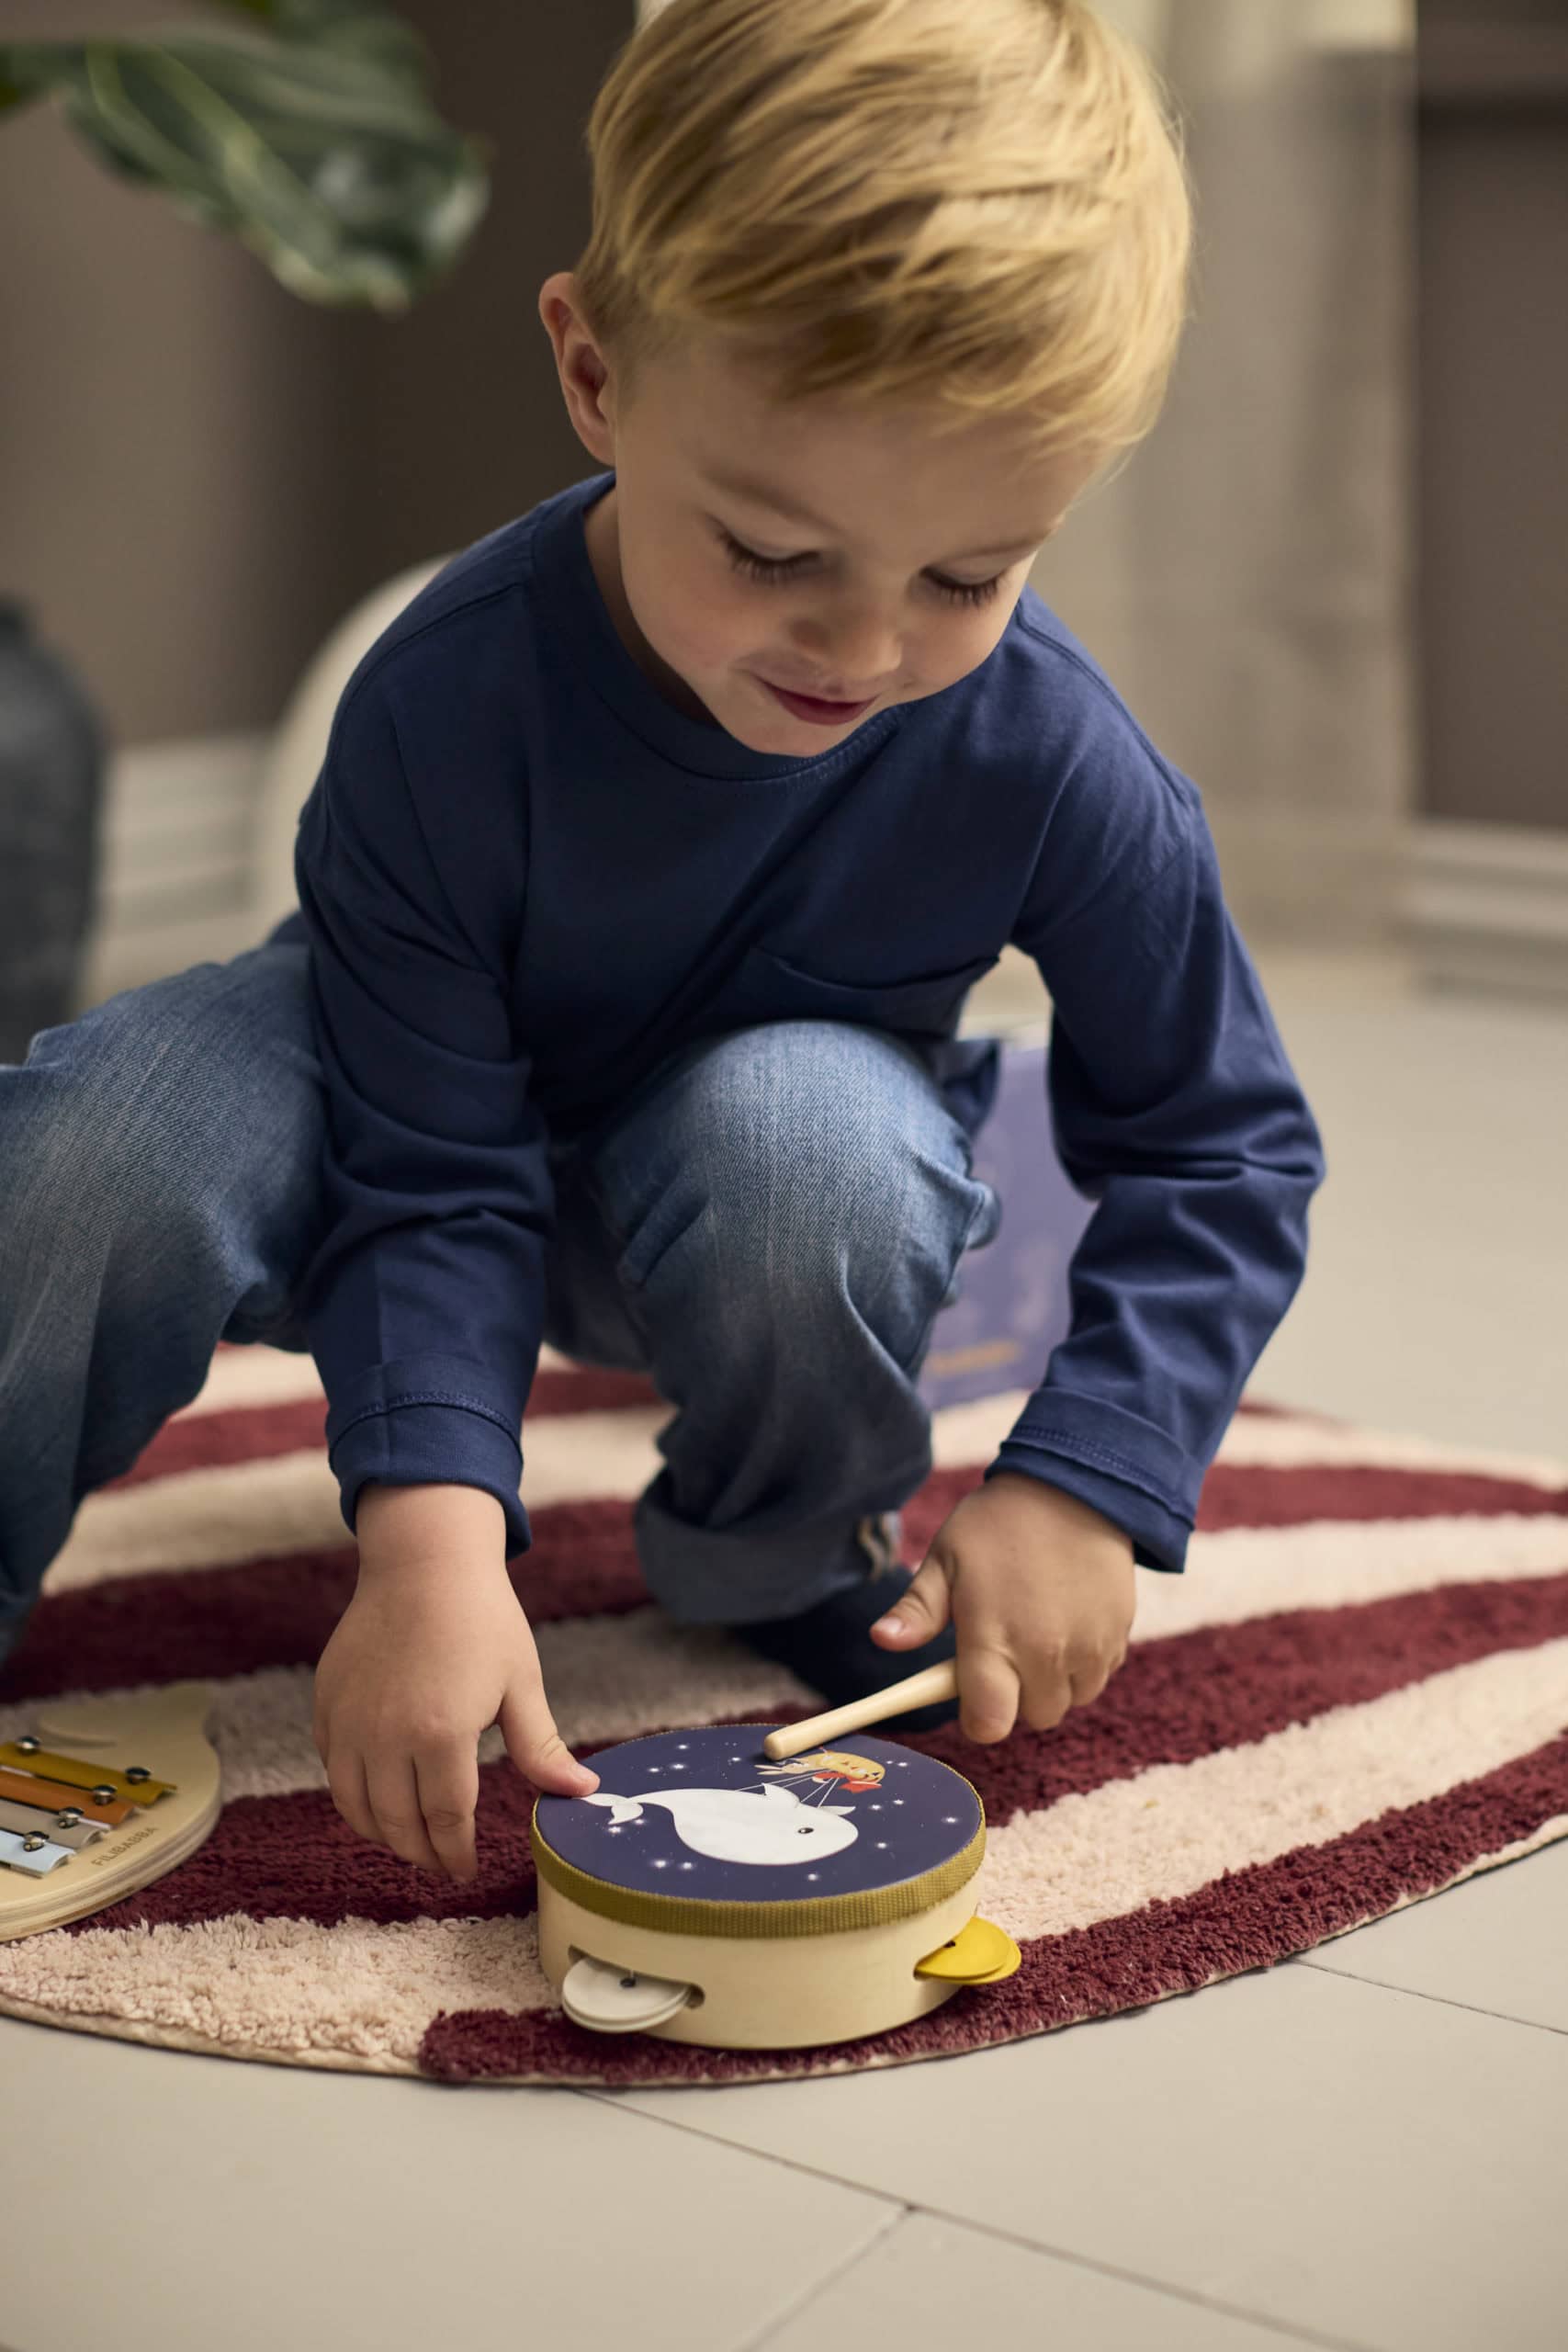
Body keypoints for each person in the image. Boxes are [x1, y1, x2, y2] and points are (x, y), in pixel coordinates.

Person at [0, 0, 1325, 1892]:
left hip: (727, 1176)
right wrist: (431, 1541)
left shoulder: (1059, 758)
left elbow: (1223, 1140)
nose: (859, 649)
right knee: (97, 1136)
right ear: (595, 372)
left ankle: (773, 1551)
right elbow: (429, 1165)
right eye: (771, 550)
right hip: (400, 1105)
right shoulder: (444, 706)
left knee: (814, 1140)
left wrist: (1084, 1472)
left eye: (964, 575)